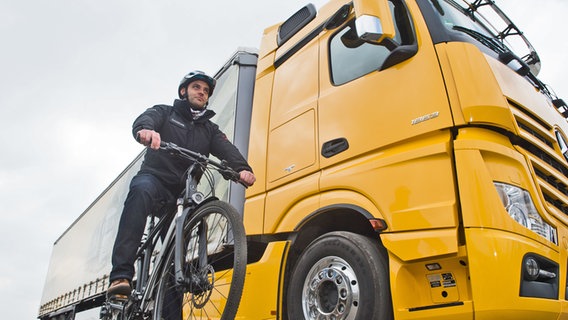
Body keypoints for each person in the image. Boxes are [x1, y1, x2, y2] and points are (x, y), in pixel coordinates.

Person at [107, 70, 256, 298]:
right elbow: (146, 119)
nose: (202, 93)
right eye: (197, 87)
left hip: (183, 193)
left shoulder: (209, 129)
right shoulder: (165, 113)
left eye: (206, 91)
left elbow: (227, 150)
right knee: (141, 191)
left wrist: (242, 169)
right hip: (155, 179)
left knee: (177, 252)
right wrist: (145, 130)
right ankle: (121, 275)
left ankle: (169, 309)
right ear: (184, 91)